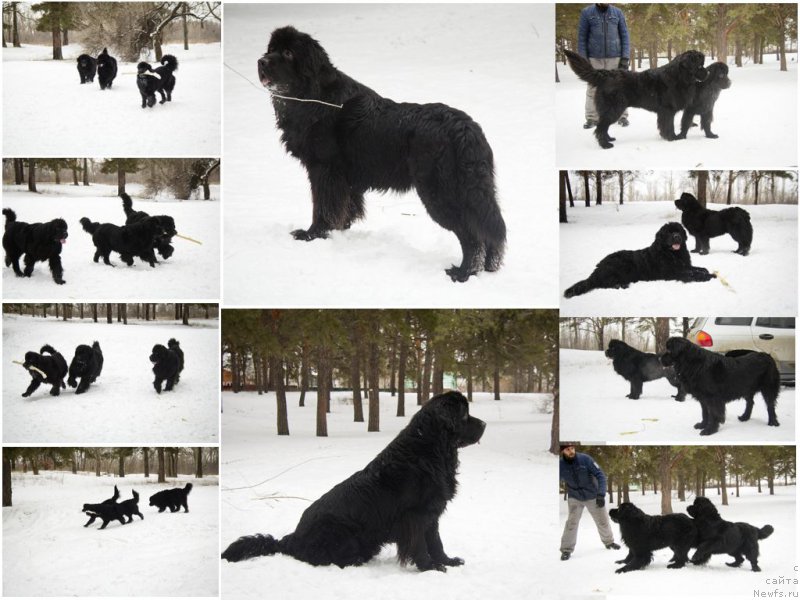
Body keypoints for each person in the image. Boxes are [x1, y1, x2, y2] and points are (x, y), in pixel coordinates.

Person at [559, 443, 620, 560]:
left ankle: (609, 542)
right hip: (575, 497)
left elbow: (600, 475)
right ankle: (566, 550)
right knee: (571, 523)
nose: (571, 451)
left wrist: (601, 494)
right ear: (563, 452)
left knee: (602, 520)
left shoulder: (585, 459)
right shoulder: (560, 465)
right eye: (567, 449)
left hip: (593, 495)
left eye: (572, 448)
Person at [577, 3, 631, 129]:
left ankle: (622, 116)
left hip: (615, 58)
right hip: (594, 59)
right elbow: (582, 38)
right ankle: (592, 118)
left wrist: (625, 57)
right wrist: (584, 60)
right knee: (593, 88)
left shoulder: (618, 13)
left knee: (620, 88)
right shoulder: (587, 12)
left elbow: (625, 36)